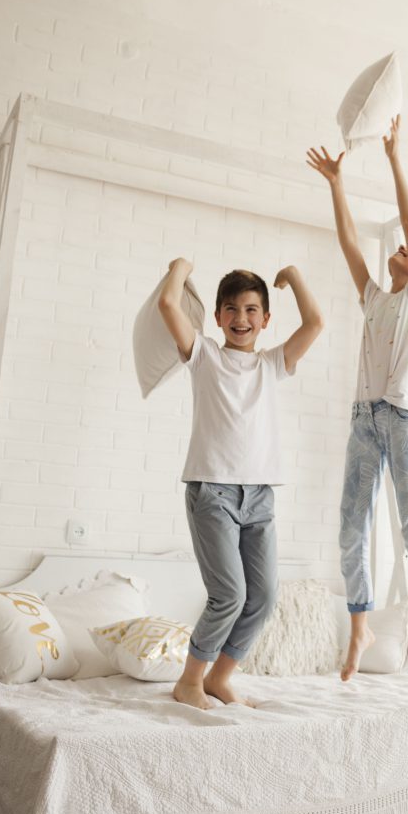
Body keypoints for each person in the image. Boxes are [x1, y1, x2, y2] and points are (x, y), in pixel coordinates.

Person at [307, 115, 408, 683]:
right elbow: (350, 243)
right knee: (349, 530)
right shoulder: (376, 297)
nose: (399, 249)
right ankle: (360, 626)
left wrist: (395, 157)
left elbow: (407, 218)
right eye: (400, 248)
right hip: (364, 422)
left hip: (403, 422)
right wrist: (336, 184)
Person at [158, 259, 323, 708]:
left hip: (261, 496)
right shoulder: (204, 355)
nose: (241, 319)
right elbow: (168, 303)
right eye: (231, 309)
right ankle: (189, 680)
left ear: (266, 319)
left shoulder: (273, 365)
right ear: (217, 317)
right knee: (229, 594)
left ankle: (220, 677)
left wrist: (294, 276)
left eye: (252, 310)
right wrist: (180, 268)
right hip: (212, 492)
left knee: (265, 596)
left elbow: (315, 322)